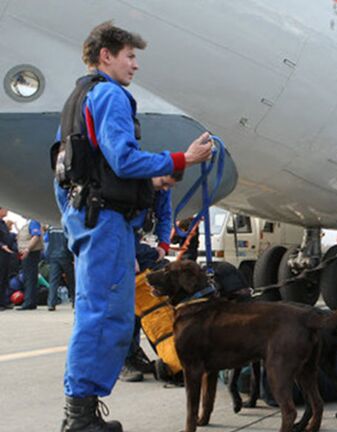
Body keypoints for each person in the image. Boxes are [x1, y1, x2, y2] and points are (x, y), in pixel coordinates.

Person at [54, 21, 212, 432]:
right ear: (106, 56)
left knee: (96, 312)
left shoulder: (77, 98)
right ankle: (81, 418)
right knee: (106, 315)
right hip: (105, 221)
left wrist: (76, 222)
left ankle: (80, 412)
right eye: (130, 56)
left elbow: (64, 172)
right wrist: (182, 160)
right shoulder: (109, 95)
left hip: (89, 219)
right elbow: (123, 160)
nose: (135, 65)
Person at [120, 172, 181, 383]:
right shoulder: (131, 185)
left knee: (145, 306)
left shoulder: (162, 189)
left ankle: (135, 354)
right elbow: (119, 222)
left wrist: (164, 244)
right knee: (125, 307)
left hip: (141, 244)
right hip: (120, 242)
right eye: (164, 184)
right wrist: (128, 254)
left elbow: (165, 215)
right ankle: (123, 360)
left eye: (169, 186)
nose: (165, 189)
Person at [44, 226, 75, 311]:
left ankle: (51, 303)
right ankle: (75, 301)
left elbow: (48, 241)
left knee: (53, 281)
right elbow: (70, 240)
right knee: (71, 280)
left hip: (53, 256)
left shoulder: (51, 228)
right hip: (65, 255)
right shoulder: (66, 225)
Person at [15, 218, 42, 310]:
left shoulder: (33, 222)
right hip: (28, 253)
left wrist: (27, 249)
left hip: (31, 253)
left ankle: (29, 302)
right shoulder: (28, 223)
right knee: (28, 277)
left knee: (30, 277)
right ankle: (30, 301)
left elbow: (36, 236)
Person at [0, 207, 14, 310]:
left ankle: (4, 302)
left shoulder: (3, 223)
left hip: (6, 254)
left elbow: (8, 237)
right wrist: (2, 246)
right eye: (5, 209)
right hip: (1, 252)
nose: (7, 211)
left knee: (5, 278)